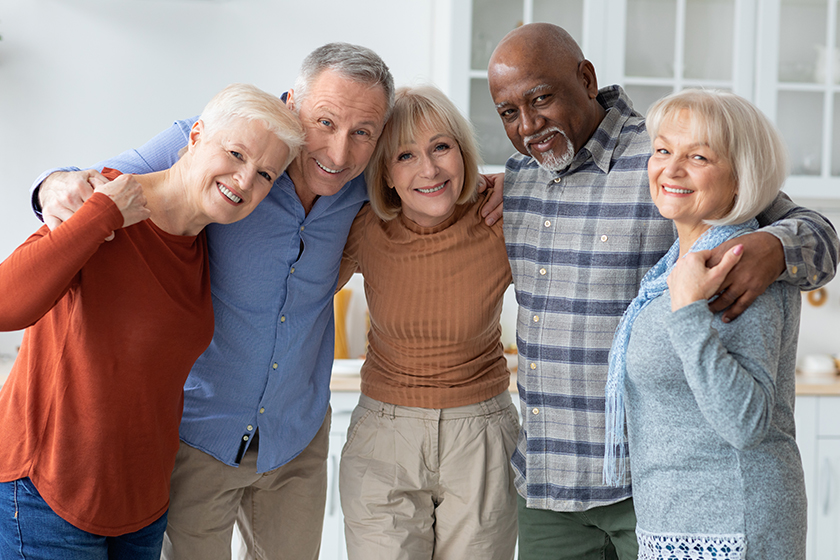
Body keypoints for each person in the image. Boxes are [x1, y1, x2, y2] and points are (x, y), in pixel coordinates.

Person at [486, 22, 838, 560]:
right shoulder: (520, 179)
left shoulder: (661, 155)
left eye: (541, 99)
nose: (529, 124)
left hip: (645, 488)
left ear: (585, 79)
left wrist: (775, 245)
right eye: (509, 113)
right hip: (547, 484)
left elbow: (816, 232)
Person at [30, 43, 394, 560]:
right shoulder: (212, 148)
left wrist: (496, 187)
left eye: (363, 133)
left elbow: (439, 177)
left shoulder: (366, 183)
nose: (339, 154)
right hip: (199, 432)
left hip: (295, 437)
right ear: (291, 106)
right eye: (325, 123)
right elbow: (95, 186)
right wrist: (52, 184)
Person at [0, 83, 304, 559]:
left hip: (141, 509)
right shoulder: (107, 199)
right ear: (196, 135)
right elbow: (5, 305)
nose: (245, 181)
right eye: (236, 153)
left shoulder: (202, 245)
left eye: (265, 174)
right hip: (47, 494)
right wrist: (97, 213)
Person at [605, 89, 806, 558]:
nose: (671, 169)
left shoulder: (740, 266)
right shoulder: (680, 264)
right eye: (662, 150)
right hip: (681, 522)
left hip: (730, 526)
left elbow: (746, 422)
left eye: (697, 156)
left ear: (741, 178)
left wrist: (690, 313)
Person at [337, 85, 518, 560]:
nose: (430, 169)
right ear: (386, 175)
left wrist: (517, 180)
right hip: (384, 439)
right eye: (405, 155)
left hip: (481, 437)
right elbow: (293, 290)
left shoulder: (500, 218)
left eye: (441, 146)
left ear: (462, 151)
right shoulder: (363, 228)